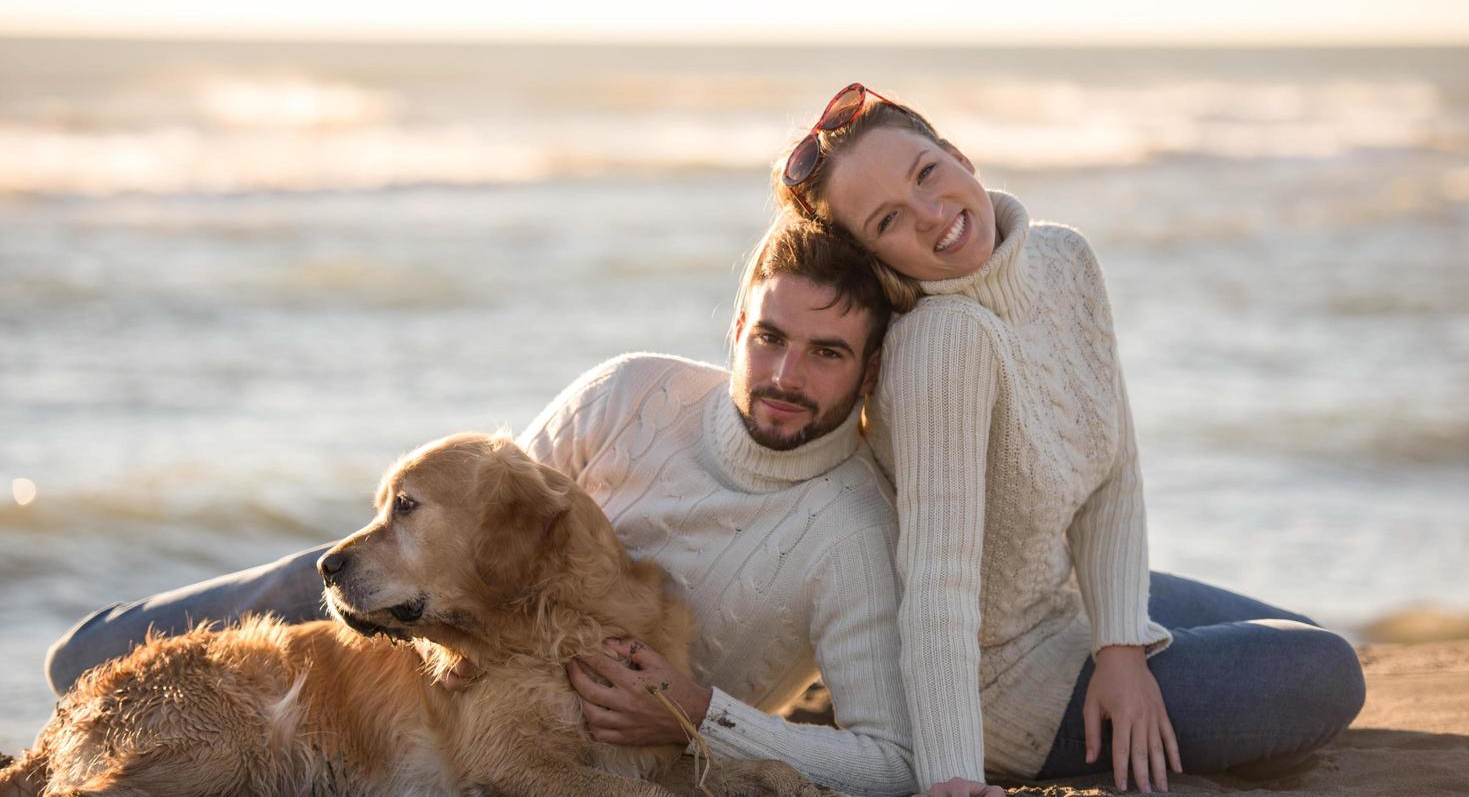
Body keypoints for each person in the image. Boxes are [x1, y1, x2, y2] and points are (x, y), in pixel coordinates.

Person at [44, 216, 923, 797]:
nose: (782, 375)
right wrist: (453, 637)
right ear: (736, 329)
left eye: (825, 353)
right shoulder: (628, 392)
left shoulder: (848, 533)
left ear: (867, 371)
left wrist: (705, 715)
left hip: (432, 616)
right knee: (91, 661)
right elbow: (483, 508)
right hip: (398, 619)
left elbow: (889, 763)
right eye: (768, 337)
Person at [772, 84, 1366, 796]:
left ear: (956, 154)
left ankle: (1175, 724)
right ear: (874, 258)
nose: (933, 216)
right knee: (1322, 673)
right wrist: (951, 776)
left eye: (927, 172)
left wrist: (1121, 650)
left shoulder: (1062, 259)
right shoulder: (944, 343)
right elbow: (938, 583)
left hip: (1061, 603)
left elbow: (1113, 471)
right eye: (890, 219)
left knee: (1294, 632)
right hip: (1001, 679)